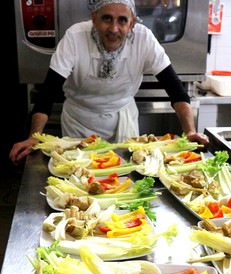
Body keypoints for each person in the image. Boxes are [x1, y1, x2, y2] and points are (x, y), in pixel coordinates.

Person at [9, 0, 209, 166]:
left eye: (122, 20)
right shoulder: (75, 37)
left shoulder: (144, 39)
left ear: (131, 24)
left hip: (123, 120)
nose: (114, 28)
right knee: (82, 175)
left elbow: (175, 89)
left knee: (127, 173)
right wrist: (35, 137)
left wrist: (190, 130)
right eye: (107, 18)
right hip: (80, 123)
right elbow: (48, 93)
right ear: (94, 19)